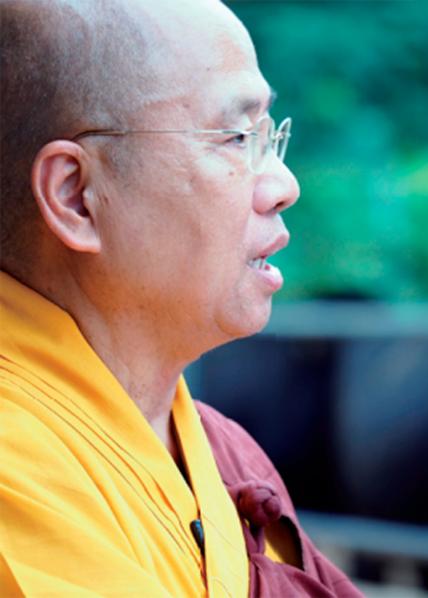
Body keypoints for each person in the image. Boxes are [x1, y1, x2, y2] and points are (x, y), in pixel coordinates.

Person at [0, 0, 362, 595]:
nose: (284, 186)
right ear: (76, 196)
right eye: (237, 137)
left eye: (270, 136)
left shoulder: (224, 458)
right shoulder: (16, 468)